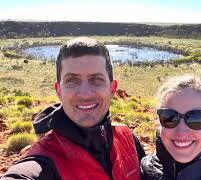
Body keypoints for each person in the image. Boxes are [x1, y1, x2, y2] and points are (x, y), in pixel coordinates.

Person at [1, 37, 145, 180]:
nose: (85, 94)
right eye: (72, 81)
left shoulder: (128, 138)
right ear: (59, 91)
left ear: (112, 89)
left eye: (96, 80)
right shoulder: (45, 162)